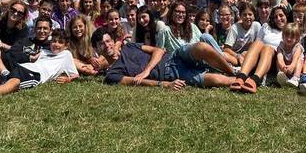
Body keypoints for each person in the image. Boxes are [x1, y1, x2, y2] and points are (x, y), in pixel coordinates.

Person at [0, 28, 79, 103]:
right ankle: (3, 75)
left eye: (60, 42)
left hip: (35, 75)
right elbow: (32, 59)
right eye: (54, 41)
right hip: (23, 66)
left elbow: (76, 75)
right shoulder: (44, 51)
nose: (56, 44)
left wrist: (68, 79)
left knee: (15, 82)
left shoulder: (66, 55)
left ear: (66, 45)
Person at [97, 31, 235, 89]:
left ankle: (234, 73)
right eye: (101, 44)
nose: (107, 45)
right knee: (217, 80)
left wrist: (147, 70)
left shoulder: (130, 46)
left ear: (113, 41)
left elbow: (159, 50)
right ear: (96, 49)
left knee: (202, 47)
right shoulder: (112, 74)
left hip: (174, 56)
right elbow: (135, 81)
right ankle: (239, 79)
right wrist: (165, 85)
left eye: (108, 41)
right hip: (170, 73)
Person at [275, 23, 304, 88]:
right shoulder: (280, 46)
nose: (289, 39)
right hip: (285, 67)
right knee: (277, 59)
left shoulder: (298, 47)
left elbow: (295, 59)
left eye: (292, 37)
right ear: (283, 36)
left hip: (295, 67)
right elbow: (280, 59)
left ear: (297, 38)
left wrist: (292, 66)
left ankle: (296, 78)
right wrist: (283, 67)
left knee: (299, 59)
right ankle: (281, 76)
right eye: (287, 36)